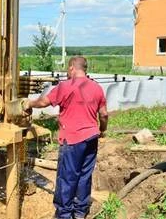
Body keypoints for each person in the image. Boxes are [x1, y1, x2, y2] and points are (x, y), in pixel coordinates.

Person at [23, 56, 108, 219]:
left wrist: (29, 103)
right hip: (91, 138)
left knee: (67, 178)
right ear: (85, 69)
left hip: (72, 140)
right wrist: (102, 130)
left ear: (71, 68)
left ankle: (64, 214)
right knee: (84, 175)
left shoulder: (65, 86)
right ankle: (81, 211)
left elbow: (43, 102)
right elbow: (103, 114)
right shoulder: (97, 88)